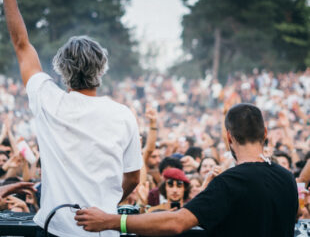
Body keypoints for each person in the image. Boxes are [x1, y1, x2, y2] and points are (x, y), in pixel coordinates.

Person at [1, 0, 143, 237]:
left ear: (62, 71)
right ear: (101, 70)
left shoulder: (47, 100)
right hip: (104, 230)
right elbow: (133, 178)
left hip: (56, 230)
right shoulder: (123, 114)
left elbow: (21, 45)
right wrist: (107, 204)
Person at [75, 103, 298, 237]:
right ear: (265, 132)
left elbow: (176, 222)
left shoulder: (229, 182)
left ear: (228, 136)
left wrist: (112, 221)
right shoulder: (287, 178)